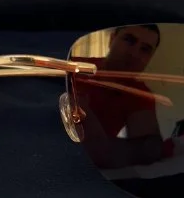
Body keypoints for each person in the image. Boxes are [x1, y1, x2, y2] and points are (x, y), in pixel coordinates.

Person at [70, 24, 166, 169]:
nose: (134, 54)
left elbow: (147, 149)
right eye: (129, 40)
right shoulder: (74, 66)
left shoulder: (139, 94)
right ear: (112, 39)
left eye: (145, 49)